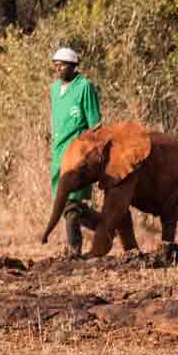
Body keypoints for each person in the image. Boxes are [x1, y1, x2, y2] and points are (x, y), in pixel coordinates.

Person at [47, 45, 130, 255]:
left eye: (63, 65)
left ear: (74, 66)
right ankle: (107, 228)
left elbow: (95, 125)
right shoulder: (54, 90)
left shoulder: (85, 87)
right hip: (58, 154)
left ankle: (74, 250)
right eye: (55, 65)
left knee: (72, 205)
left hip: (78, 157)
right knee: (68, 204)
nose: (58, 68)